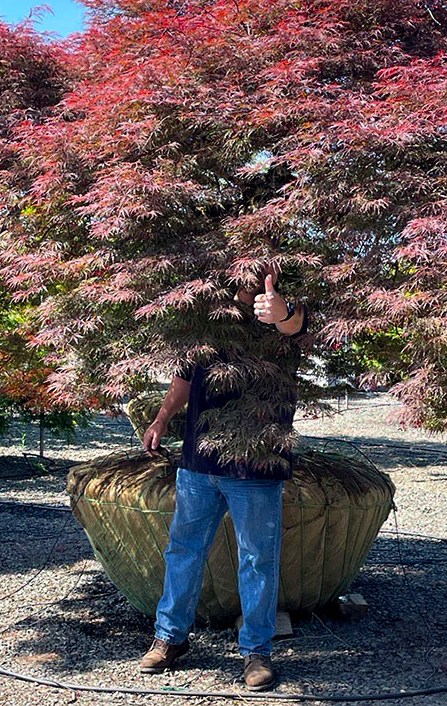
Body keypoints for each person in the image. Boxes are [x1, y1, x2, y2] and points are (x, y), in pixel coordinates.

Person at [138, 267, 308, 691]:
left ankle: (256, 652)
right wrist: (162, 419)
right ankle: (170, 638)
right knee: (183, 550)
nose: (249, 279)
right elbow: (183, 378)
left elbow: (297, 326)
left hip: (257, 466)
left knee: (257, 561)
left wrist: (280, 312)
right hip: (198, 463)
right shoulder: (206, 314)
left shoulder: (288, 304)